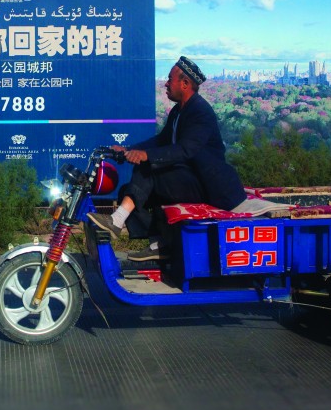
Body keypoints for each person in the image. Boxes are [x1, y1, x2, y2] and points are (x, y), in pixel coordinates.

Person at [87, 56, 247, 262]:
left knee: (147, 171)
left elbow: (185, 150)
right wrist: (128, 150)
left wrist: (146, 156)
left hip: (208, 186)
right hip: (190, 177)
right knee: (130, 191)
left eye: (170, 79)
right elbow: (161, 141)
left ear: (185, 84)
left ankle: (117, 221)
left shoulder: (200, 112)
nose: (166, 84)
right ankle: (159, 243)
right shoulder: (179, 111)